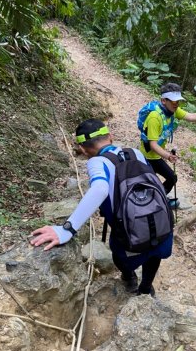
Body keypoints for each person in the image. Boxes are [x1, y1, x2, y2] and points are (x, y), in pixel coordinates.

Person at [30, 119, 173, 296]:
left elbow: (100, 188)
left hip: (128, 228)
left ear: (82, 149)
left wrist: (68, 229)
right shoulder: (135, 152)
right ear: (110, 137)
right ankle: (146, 288)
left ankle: (129, 278)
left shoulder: (97, 162)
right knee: (154, 252)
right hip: (159, 220)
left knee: (120, 256)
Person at [139, 82, 196, 207]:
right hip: (146, 158)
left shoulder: (173, 110)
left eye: (178, 101)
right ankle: (150, 203)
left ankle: (158, 201)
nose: (176, 104)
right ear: (164, 101)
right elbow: (152, 145)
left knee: (172, 178)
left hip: (157, 156)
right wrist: (168, 156)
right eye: (174, 101)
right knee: (152, 184)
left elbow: (191, 116)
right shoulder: (154, 117)